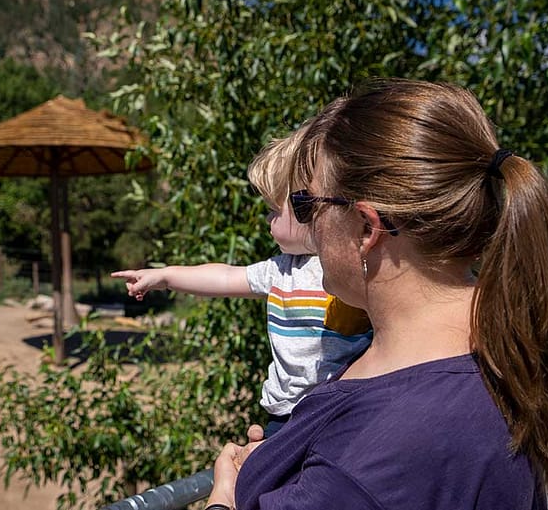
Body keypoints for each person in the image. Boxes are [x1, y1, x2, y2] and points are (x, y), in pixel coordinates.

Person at [204, 79, 548, 510]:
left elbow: (362, 473)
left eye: (306, 204)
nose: (307, 227)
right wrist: (283, 462)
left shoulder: (367, 461)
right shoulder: (508, 354)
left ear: (368, 229)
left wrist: (225, 497)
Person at [112, 121, 372, 437]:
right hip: (284, 413)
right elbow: (224, 277)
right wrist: (166, 275)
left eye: (274, 211)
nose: (267, 220)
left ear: (308, 207)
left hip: (339, 413)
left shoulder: (353, 267)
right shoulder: (280, 270)